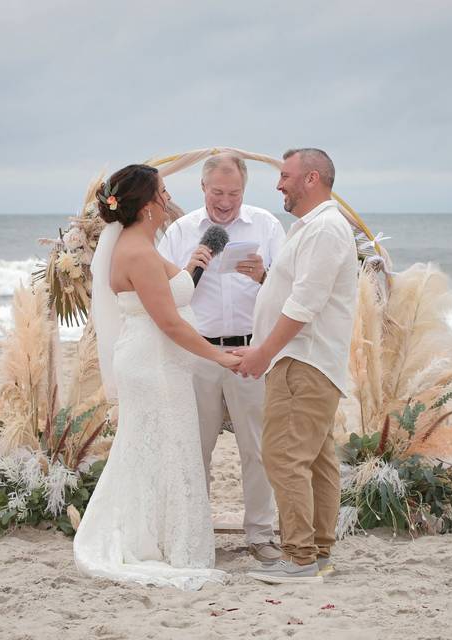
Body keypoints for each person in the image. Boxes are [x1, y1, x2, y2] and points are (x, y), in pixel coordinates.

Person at [72, 164, 240, 590]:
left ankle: (159, 536)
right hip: (155, 366)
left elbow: (171, 289)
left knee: (159, 452)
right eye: (163, 192)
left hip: (157, 363)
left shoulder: (142, 244)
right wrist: (220, 357)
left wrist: (192, 266)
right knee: (168, 453)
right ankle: (166, 545)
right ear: (148, 204)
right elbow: (170, 322)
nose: (169, 198)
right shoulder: (138, 251)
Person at [233, 149, 357, 584]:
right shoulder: (311, 229)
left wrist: (263, 352)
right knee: (317, 461)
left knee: (283, 456)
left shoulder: (324, 229)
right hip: (308, 361)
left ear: (312, 178)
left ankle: (300, 558)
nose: (279, 184)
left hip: (300, 361)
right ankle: (318, 552)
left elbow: (306, 305)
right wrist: (267, 280)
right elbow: (301, 290)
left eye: (286, 176)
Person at [157, 153, 284, 563]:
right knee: (196, 446)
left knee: (258, 446)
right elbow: (157, 295)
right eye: (217, 192)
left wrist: (263, 276)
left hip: (252, 349)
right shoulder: (179, 231)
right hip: (198, 350)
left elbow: (291, 292)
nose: (225, 201)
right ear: (203, 189)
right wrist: (187, 269)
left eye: (233, 193)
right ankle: (195, 532)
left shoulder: (266, 225)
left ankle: (261, 534)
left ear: (244, 190)